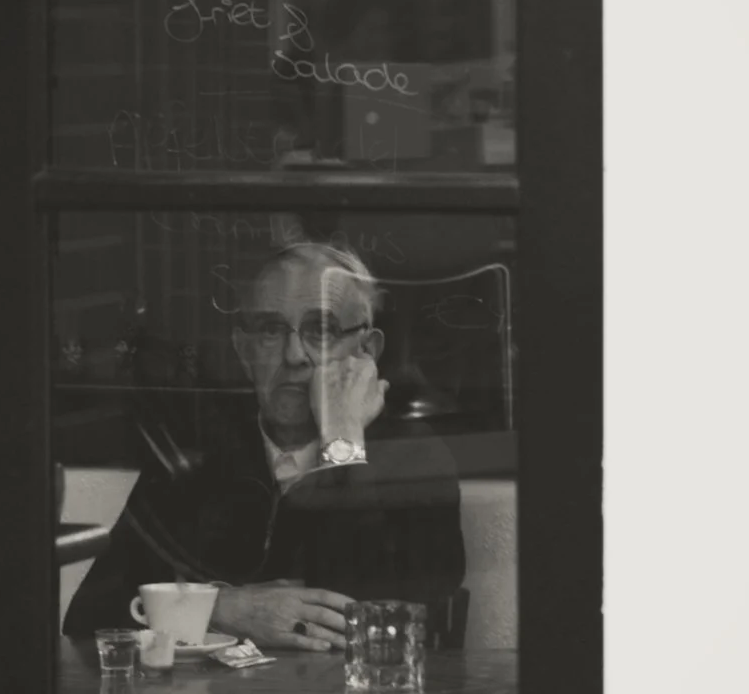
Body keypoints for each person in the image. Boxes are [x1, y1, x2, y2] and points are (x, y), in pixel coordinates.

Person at [62, 242, 467, 651]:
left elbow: (386, 629)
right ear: (244, 349)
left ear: (366, 351)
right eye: (272, 330)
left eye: (322, 330)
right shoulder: (202, 455)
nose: (293, 355)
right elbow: (87, 617)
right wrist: (218, 609)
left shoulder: (416, 458)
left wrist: (341, 443)